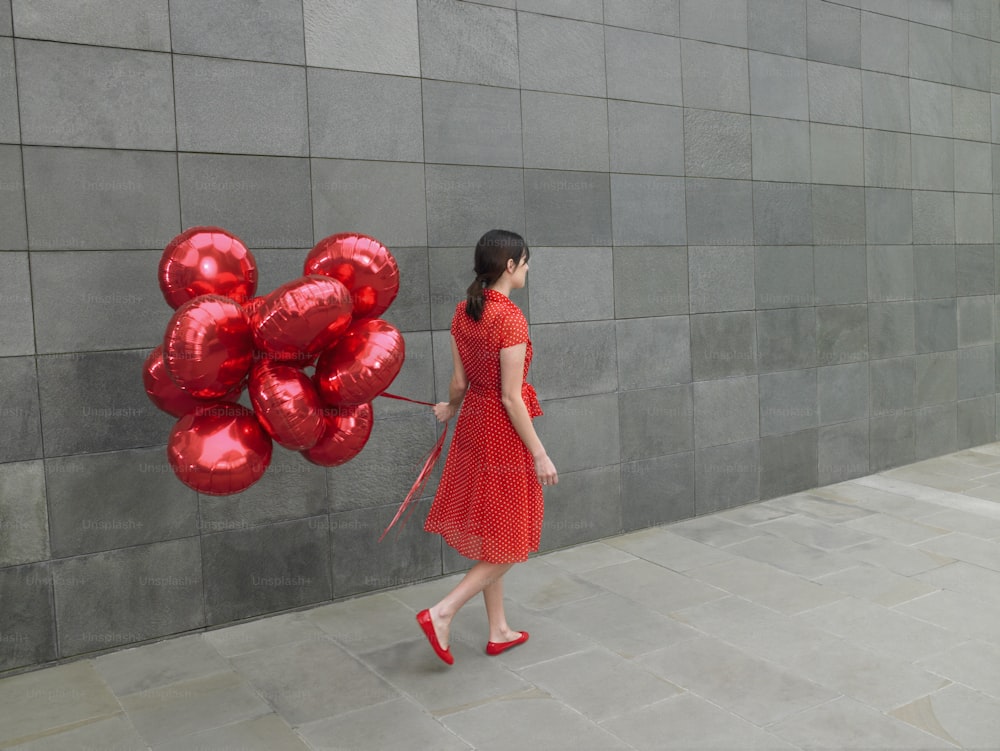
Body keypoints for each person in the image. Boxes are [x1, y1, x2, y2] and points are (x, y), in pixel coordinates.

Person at [416, 229, 558, 666]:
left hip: (473, 428)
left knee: (492, 531)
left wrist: (449, 407)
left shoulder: (464, 312)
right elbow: (511, 397)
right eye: (526, 261)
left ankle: (498, 629)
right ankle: (443, 612)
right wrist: (539, 453)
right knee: (513, 539)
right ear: (510, 266)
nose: (529, 269)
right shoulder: (510, 318)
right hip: (501, 434)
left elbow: (461, 382)